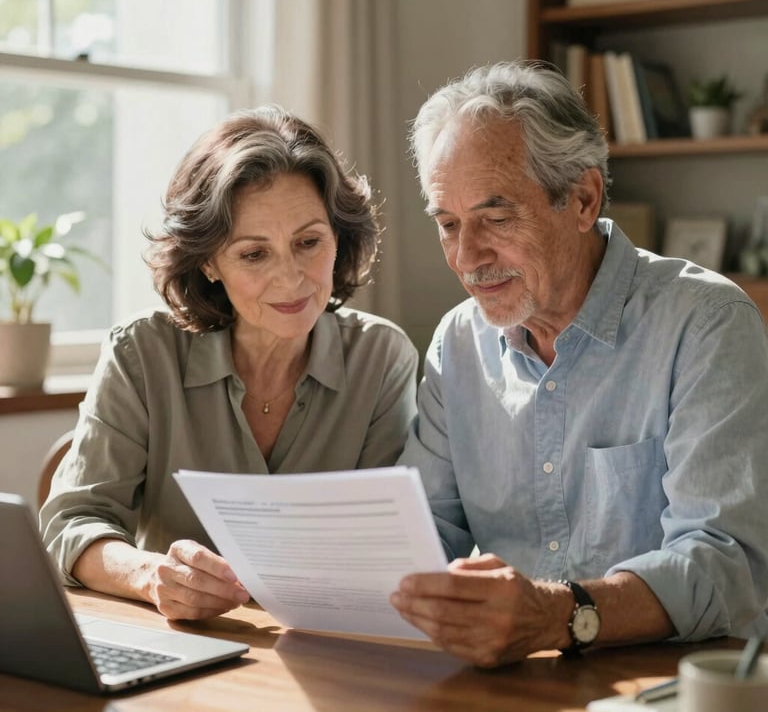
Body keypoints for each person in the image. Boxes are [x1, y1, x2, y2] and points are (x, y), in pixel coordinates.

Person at [390, 60, 768, 667]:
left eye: (496, 217)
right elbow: (422, 536)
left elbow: (725, 563)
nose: (467, 257)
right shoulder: (457, 342)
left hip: (674, 683)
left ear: (584, 199)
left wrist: (556, 615)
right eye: (448, 224)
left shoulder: (706, 322)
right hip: (511, 683)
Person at [40, 106, 418, 622]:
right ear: (210, 262)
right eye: (253, 255)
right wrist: (152, 576)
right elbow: (73, 523)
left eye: (309, 243)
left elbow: (388, 550)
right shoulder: (141, 353)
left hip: (329, 648)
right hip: (185, 649)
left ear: (339, 240)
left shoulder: (382, 358)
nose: (292, 279)